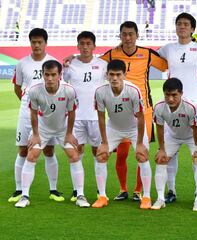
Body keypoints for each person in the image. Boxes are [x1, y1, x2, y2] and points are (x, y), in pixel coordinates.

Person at [65, 21, 167, 202]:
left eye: (131, 34)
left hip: (144, 111)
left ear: (137, 35)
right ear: (120, 36)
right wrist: (73, 57)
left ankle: (138, 191)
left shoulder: (148, 54)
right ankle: (122, 189)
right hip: (119, 112)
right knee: (121, 154)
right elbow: (89, 60)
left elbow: (167, 65)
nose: (128, 38)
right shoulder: (112, 54)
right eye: (124, 34)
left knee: (141, 152)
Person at [158, 12, 197, 203]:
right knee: (169, 153)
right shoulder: (167, 48)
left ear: (192, 29)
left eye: (186, 24)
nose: (182, 27)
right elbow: (151, 58)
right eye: (179, 24)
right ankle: (171, 191)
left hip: (194, 105)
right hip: (171, 106)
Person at [15, 60, 88, 208]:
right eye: (46, 75)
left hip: (63, 128)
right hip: (43, 129)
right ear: (42, 74)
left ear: (60, 75)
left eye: (53, 75)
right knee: (31, 155)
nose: (49, 78)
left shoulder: (68, 90)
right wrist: (35, 134)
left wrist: (69, 134)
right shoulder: (34, 90)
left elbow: (72, 112)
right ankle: (24, 196)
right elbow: (33, 113)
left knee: (74, 155)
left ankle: (80, 195)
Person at [10, 28, 62, 203]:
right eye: (34, 42)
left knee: (49, 150)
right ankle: (19, 190)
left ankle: (53, 189)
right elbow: (17, 87)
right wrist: (27, 103)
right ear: (30, 43)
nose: (37, 45)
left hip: (48, 113)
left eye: (40, 42)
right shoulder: (22, 63)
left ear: (45, 43)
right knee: (23, 149)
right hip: (27, 112)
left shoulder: (53, 62)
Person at [92, 60, 152, 209]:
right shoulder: (100, 92)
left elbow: (140, 116)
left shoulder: (133, 90)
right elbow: (101, 117)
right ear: (106, 75)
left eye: (118, 75)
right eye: (111, 75)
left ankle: (146, 197)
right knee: (101, 155)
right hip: (114, 128)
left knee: (142, 156)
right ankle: (102, 196)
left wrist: (138, 143)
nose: (114, 78)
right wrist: (104, 143)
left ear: (124, 75)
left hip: (134, 128)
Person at [63, 31, 107, 201]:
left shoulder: (102, 64)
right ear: (77, 46)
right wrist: (71, 57)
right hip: (76, 116)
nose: (85, 47)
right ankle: (77, 190)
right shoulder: (70, 65)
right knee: (76, 152)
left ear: (94, 46)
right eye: (82, 43)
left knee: (98, 152)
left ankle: (100, 190)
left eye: (89, 43)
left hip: (97, 116)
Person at [151, 78, 197, 211]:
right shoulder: (159, 107)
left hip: (193, 136)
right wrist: (162, 149)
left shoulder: (190, 107)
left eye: (174, 95)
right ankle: (161, 198)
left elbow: (196, 129)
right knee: (160, 159)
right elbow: (159, 128)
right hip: (173, 136)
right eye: (167, 95)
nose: (170, 99)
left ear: (181, 93)